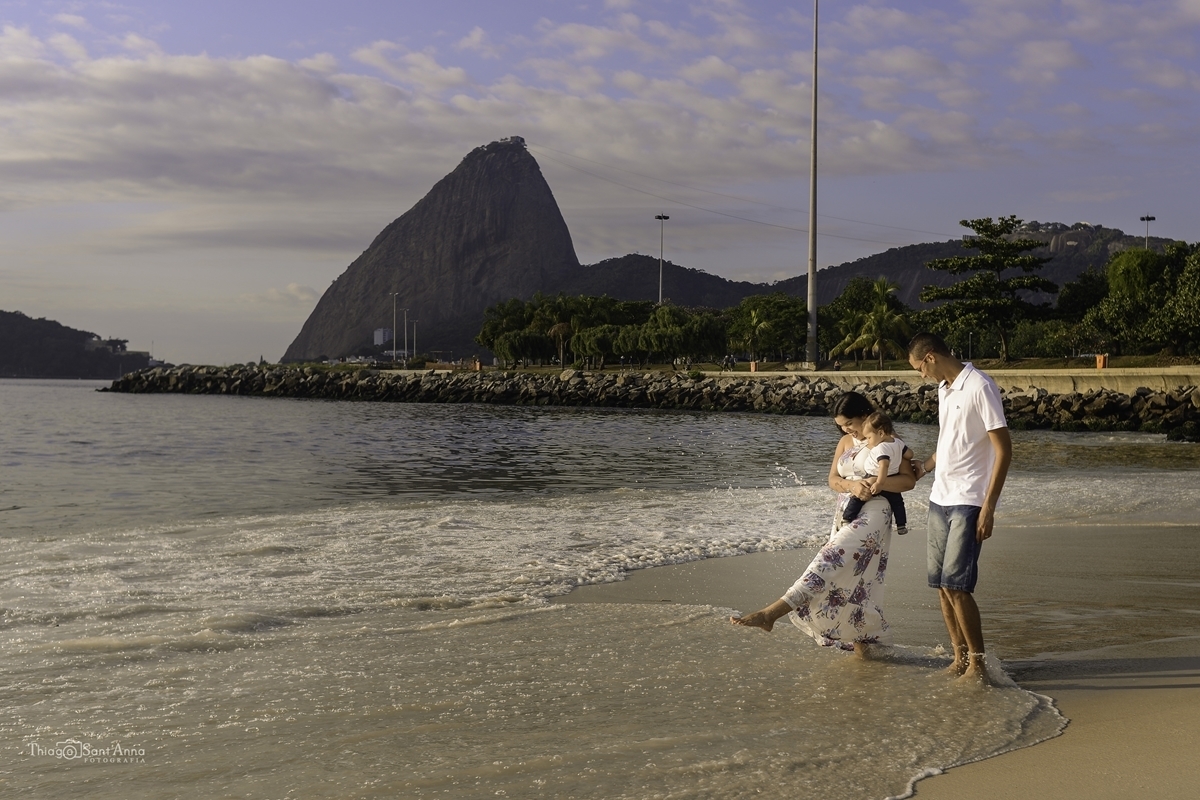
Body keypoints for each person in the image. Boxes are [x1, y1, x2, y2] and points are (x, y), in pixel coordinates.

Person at [731, 392, 916, 654]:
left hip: (876, 510)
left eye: (849, 423)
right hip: (845, 510)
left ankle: (773, 612)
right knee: (853, 578)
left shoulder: (888, 440)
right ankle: (865, 649)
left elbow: (909, 482)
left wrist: (876, 484)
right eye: (841, 425)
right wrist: (851, 485)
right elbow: (832, 479)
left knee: (830, 559)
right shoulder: (844, 442)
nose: (846, 429)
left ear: (865, 416)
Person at [907, 332, 1012, 684]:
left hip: (969, 501)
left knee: (958, 586)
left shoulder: (980, 386)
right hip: (940, 497)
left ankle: (978, 664)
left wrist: (989, 507)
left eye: (920, 368)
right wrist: (925, 467)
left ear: (931, 357)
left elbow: (1003, 450)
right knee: (941, 585)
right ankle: (959, 657)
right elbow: (949, 442)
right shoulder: (944, 389)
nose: (921, 375)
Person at [839, 411, 908, 536]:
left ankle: (847, 517)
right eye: (841, 426)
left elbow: (884, 465)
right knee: (898, 502)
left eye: (869, 438)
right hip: (890, 481)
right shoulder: (898, 443)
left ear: (880, 433)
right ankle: (901, 524)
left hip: (875, 479)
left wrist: (879, 483)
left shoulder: (881, 447)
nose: (869, 441)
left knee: (858, 498)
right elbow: (909, 454)